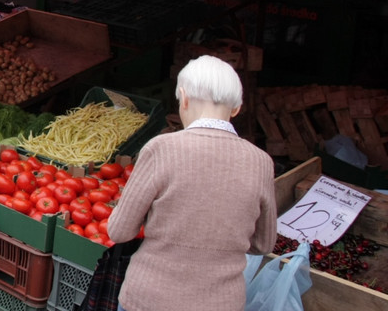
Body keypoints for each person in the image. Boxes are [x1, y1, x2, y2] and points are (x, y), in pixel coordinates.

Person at [107, 55, 277, 311]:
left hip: (150, 300)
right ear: (235, 108)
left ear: (183, 98)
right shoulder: (261, 162)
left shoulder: (161, 149)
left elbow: (119, 231)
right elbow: (264, 243)